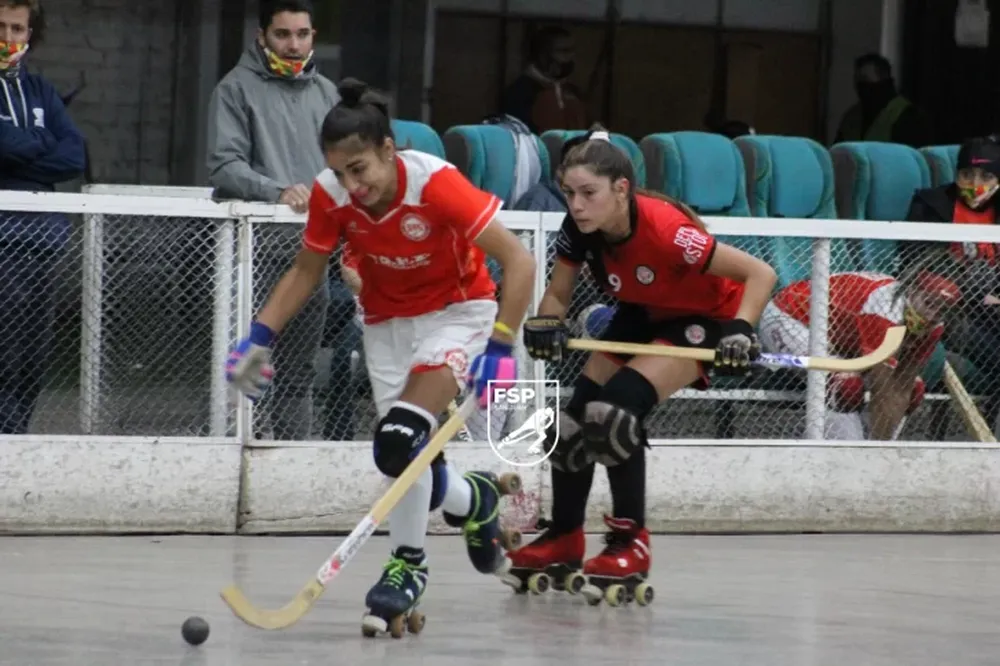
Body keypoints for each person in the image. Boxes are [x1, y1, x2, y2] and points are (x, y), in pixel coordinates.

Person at [224, 79, 537, 634]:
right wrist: (259, 337)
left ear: (389, 151)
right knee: (403, 454)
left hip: (458, 314)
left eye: (360, 169)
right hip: (385, 323)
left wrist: (502, 344)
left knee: (399, 439)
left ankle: (407, 566)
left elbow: (518, 260)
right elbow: (305, 270)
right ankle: (475, 499)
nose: (351, 186)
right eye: (340, 173)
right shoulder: (330, 193)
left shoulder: (437, 186)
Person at [503, 129, 778, 599]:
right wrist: (546, 323)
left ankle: (632, 542)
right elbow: (558, 295)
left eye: (588, 194)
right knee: (567, 429)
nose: (577, 206)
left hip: (705, 318)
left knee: (611, 418)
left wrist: (742, 330)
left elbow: (760, 273)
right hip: (640, 312)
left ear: (622, 189)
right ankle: (565, 536)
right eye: (569, 194)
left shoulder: (669, 231)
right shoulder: (579, 231)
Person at [207, 0, 339, 440]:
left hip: (311, 253)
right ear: (262, 36)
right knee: (244, 367)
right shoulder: (234, 88)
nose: (294, 44)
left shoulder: (326, 92)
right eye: (283, 35)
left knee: (298, 374)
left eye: (302, 34)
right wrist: (277, 191)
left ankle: (290, 470)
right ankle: (231, 464)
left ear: (313, 36)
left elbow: (348, 166)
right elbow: (224, 165)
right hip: (252, 252)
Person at [0, 0, 86, 433]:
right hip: (2, 241)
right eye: (1, 27)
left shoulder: (41, 91)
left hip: (43, 240)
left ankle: (15, 450)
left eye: (17, 28)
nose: (8, 38)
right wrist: (41, 141)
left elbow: (75, 155)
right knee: (3, 356)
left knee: (31, 363)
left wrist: (23, 148)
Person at [758, 271, 960, 440]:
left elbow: (902, 387)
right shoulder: (885, 310)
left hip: (841, 338)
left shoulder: (934, 327)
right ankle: (835, 456)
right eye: (929, 304)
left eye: (942, 310)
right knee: (844, 387)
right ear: (912, 292)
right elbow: (883, 388)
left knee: (913, 390)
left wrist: (881, 446)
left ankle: (867, 449)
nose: (932, 316)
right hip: (792, 318)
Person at [903, 134, 1000, 403]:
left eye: (986, 177)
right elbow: (916, 263)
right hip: (949, 313)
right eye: (967, 175)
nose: (975, 185)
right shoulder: (931, 205)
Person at [500, 25, 587, 135]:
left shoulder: (574, 92)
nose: (569, 57)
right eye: (563, 51)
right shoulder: (520, 92)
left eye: (571, 51)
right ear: (543, 54)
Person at [833, 53, 932, 148]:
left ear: (883, 80)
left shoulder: (908, 115)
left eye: (865, 79)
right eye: (857, 80)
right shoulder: (851, 117)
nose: (861, 86)